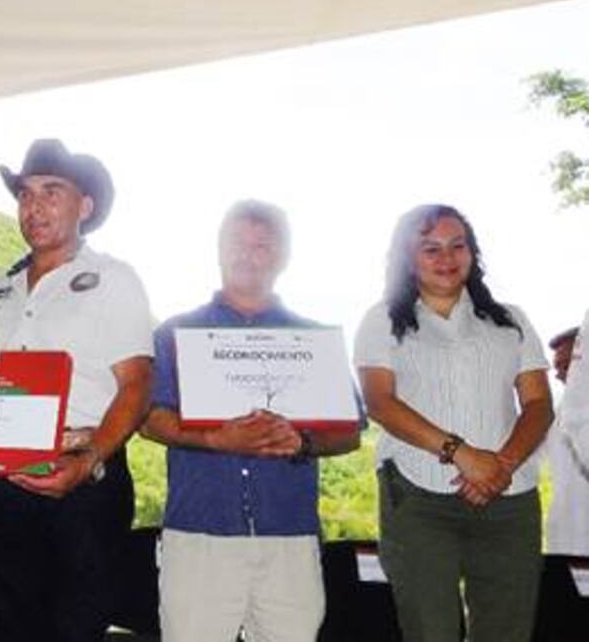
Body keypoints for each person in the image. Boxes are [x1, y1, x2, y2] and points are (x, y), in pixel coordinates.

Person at [140, 200, 361, 642]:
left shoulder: (314, 339)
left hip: (289, 532)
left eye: (262, 245)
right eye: (237, 242)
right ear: (219, 249)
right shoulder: (173, 335)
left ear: (283, 257)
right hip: (199, 530)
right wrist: (216, 439)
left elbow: (350, 432)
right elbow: (149, 420)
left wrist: (302, 442)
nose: (248, 253)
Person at [0, 138, 153, 642]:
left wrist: (90, 458)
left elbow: (137, 385)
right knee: (12, 627)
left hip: (86, 482)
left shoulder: (114, 280)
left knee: (77, 629)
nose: (34, 207)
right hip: (7, 485)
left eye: (52, 192)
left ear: (85, 206)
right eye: (26, 194)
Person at [354, 204, 552, 641]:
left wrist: (499, 466)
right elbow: (381, 403)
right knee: (432, 633)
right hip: (418, 499)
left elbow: (538, 405)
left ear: (472, 252)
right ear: (407, 258)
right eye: (430, 248)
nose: (447, 257)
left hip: (509, 497)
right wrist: (461, 455)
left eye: (457, 245)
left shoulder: (511, 320)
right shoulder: (382, 320)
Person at [546, 326, 589, 556]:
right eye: (557, 368)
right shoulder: (559, 415)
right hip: (566, 541)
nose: (560, 374)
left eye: (567, 365)